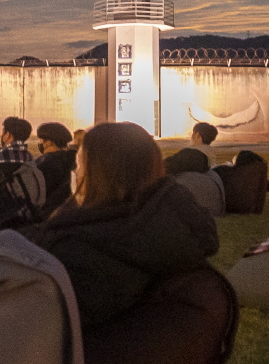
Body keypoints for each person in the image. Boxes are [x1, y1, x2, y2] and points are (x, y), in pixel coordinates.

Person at [24, 121, 219, 330]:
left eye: (79, 165)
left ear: (99, 174)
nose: (75, 174)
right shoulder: (173, 228)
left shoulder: (75, 250)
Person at [32, 122, 78, 214]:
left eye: (41, 139)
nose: (40, 143)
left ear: (49, 142)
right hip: (70, 211)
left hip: (46, 213)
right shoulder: (76, 160)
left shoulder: (43, 163)